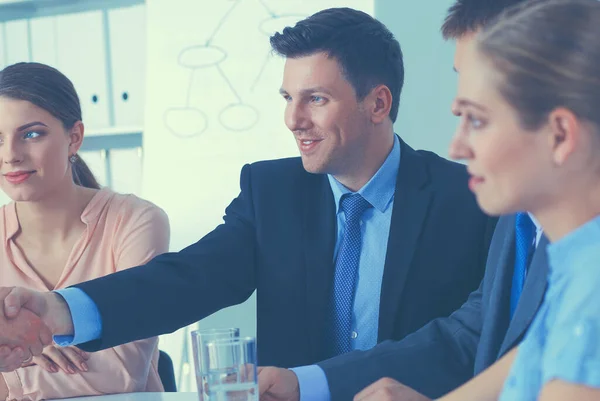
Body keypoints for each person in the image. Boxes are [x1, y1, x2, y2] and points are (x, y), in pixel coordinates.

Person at [0, 8, 495, 373]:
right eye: (287, 98)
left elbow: (475, 340)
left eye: (315, 99)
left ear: (378, 103)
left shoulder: (470, 199)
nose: (292, 120)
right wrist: (57, 308)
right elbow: (185, 279)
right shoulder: (273, 191)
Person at [257, 1, 552, 401]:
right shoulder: (521, 222)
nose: (458, 139)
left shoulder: (497, 211)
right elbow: (480, 340)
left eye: (478, 110)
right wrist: (306, 383)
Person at [359, 0, 600, 399]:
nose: (456, 147)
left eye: (477, 120)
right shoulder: (572, 264)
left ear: (559, 136)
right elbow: (530, 356)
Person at [0, 62, 170, 400]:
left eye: (31, 134)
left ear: (74, 137)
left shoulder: (135, 221)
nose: (11, 155)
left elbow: (121, 374)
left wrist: (20, 355)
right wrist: (30, 350)